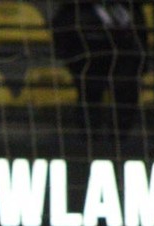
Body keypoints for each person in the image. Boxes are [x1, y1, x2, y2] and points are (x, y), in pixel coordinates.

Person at [51, 1, 148, 147]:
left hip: (124, 54)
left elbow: (140, 31)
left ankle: (119, 141)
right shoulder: (76, 9)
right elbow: (61, 25)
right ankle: (89, 142)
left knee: (126, 91)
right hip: (87, 54)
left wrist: (142, 59)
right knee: (90, 94)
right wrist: (69, 55)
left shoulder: (130, 9)